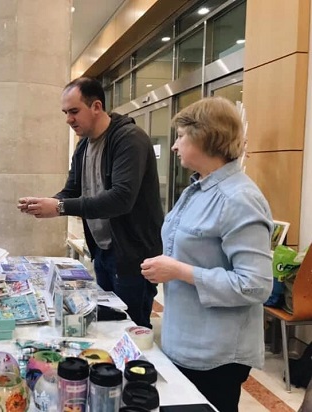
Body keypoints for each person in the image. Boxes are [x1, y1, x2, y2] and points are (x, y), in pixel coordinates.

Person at [140, 97, 273, 412]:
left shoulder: (239, 198)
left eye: (181, 136)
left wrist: (179, 271)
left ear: (204, 137)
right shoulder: (198, 189)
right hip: (185, 339)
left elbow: (256, 284)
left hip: (216, 352)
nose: (175, 146)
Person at [18, 77, 163, 328]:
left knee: (132, 326)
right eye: (65, 112)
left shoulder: (129, 139)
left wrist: (60, 207)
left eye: (74, 111)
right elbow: (72, 190)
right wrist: (47, 203)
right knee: (107, 324)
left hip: (132, 255)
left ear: (96, 106)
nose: (68, 119)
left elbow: (121, 199)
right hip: (102, 251)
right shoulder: (83, 145)